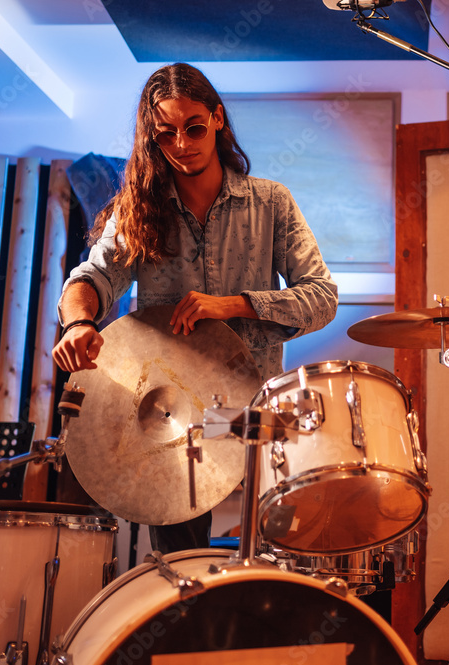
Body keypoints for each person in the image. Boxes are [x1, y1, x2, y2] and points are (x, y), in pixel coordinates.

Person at [52, 63, 338, 553]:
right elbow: (90, 279)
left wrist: (234, 305)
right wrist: (79, 322)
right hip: (168, 422)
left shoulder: (272, 203)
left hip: (254, 416)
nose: (182, 144)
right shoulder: (139, 212)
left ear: (218, 119)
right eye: (165, 134)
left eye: (194, 127)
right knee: (179, 576)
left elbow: (322, 298)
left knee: (270, 568)